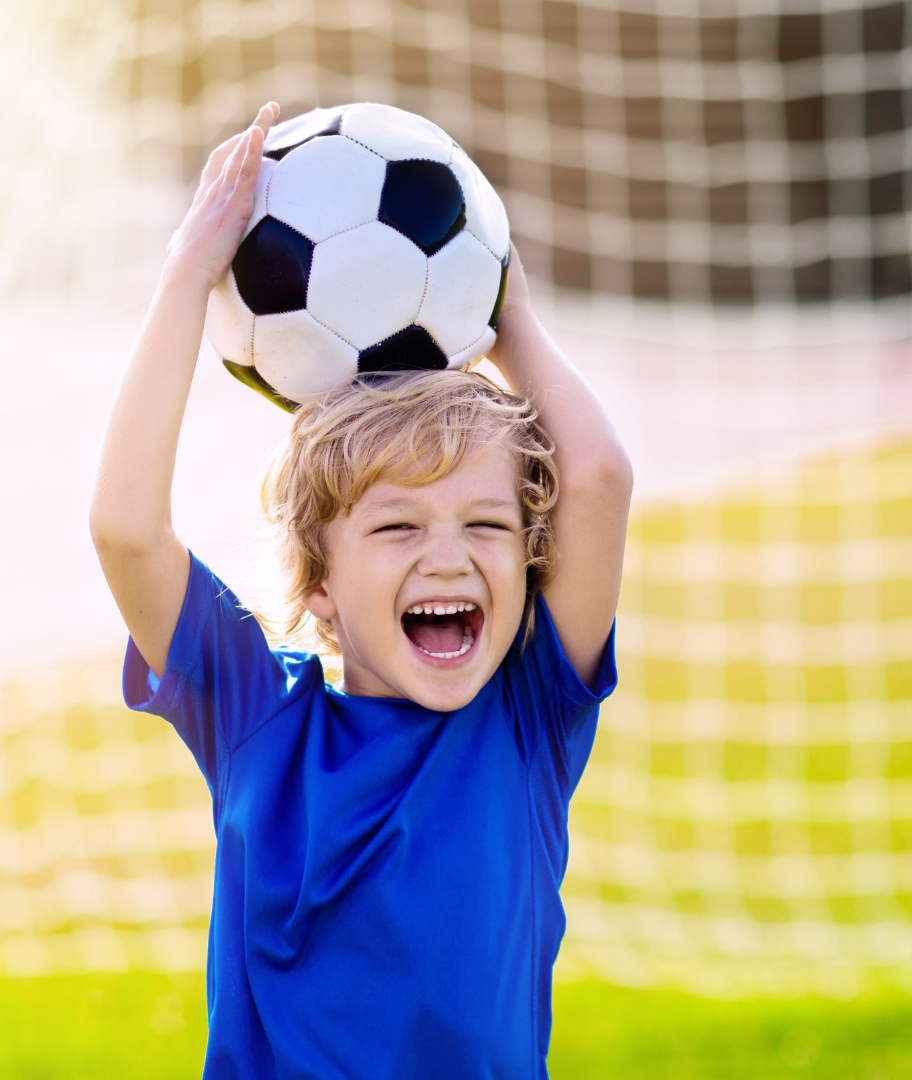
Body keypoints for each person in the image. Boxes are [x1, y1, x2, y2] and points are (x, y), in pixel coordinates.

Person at [88, 102, 633, 1078]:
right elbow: (127, 528)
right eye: (396, 527)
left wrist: (504, 310)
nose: (449, 556)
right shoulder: (258, 716)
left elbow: (596, 478)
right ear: (320, 580)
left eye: (487, 525)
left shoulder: (528, 717)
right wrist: (186, 274)